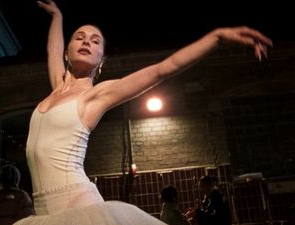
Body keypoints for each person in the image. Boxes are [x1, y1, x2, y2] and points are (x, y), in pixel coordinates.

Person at [14, 1, 272, 224]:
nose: (86, 42)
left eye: (95, 41)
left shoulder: (95, 95)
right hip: (44, 213)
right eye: (79, 37)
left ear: (102, 59)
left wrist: (217, 36)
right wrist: (57, 15)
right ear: (68, 52)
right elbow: (52, 50)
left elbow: (163, 68)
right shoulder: (56, 88)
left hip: (79, 209)